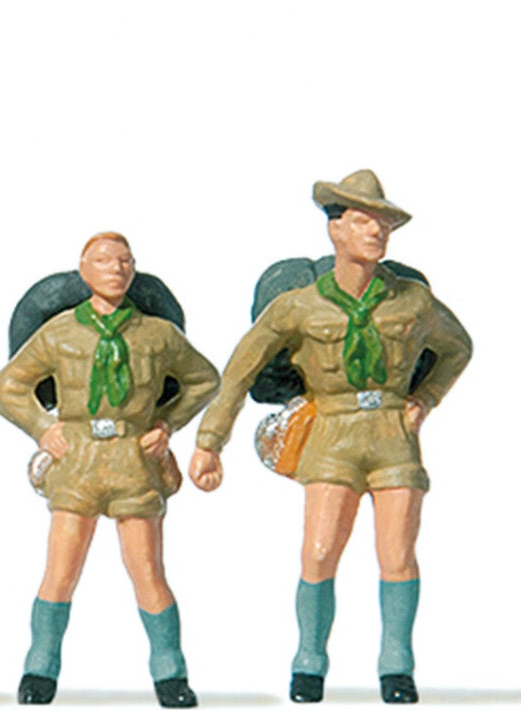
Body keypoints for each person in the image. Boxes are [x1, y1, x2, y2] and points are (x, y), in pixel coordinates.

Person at [187, 170, 472, 704]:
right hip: (332, 432)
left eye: (383, 223)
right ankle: (310, 659)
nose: (376, 232)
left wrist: (426, 398)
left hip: (392, 433)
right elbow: (239, 371)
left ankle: (396, 664)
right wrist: (209, 441)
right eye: (362, 221)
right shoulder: (298, 306)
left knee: (398, 554)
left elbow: (458, 347)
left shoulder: (411, 301)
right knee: (319, 553)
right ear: (335, 229)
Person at [0, 233, 219, 708]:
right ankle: (40, 666)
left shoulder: (157, 334)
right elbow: (6, 387)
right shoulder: (59, 333)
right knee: (60, 570)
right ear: (83, 269)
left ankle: (170, 671)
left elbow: (204, 379)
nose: (116, 269)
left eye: (126, 261)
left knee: (147, 571)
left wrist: (167, 423)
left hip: (133, 460)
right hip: (79, 460)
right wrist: (42, 427)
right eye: (104, 260)